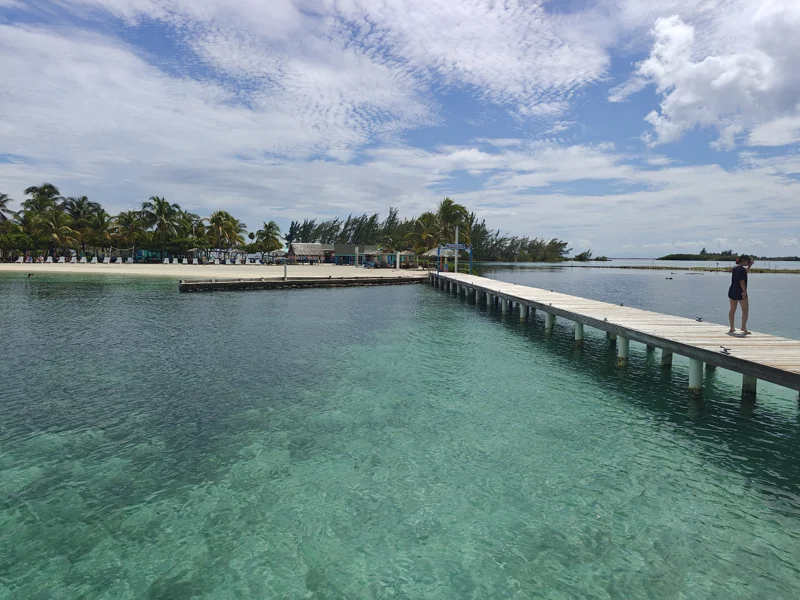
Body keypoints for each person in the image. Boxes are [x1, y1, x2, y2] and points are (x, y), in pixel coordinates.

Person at [728, 254, 754, 334]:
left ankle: (732, 327)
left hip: (732, 290)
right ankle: (743, 327)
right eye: (748, 261)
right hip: (740, 291)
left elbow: (744, 273)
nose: (748, 263)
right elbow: (742, 282)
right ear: (744, 261)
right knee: (745, 310)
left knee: (732, 309)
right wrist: (744, 292)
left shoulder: (735, 268)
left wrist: (749, 267)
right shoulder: (741, 269)